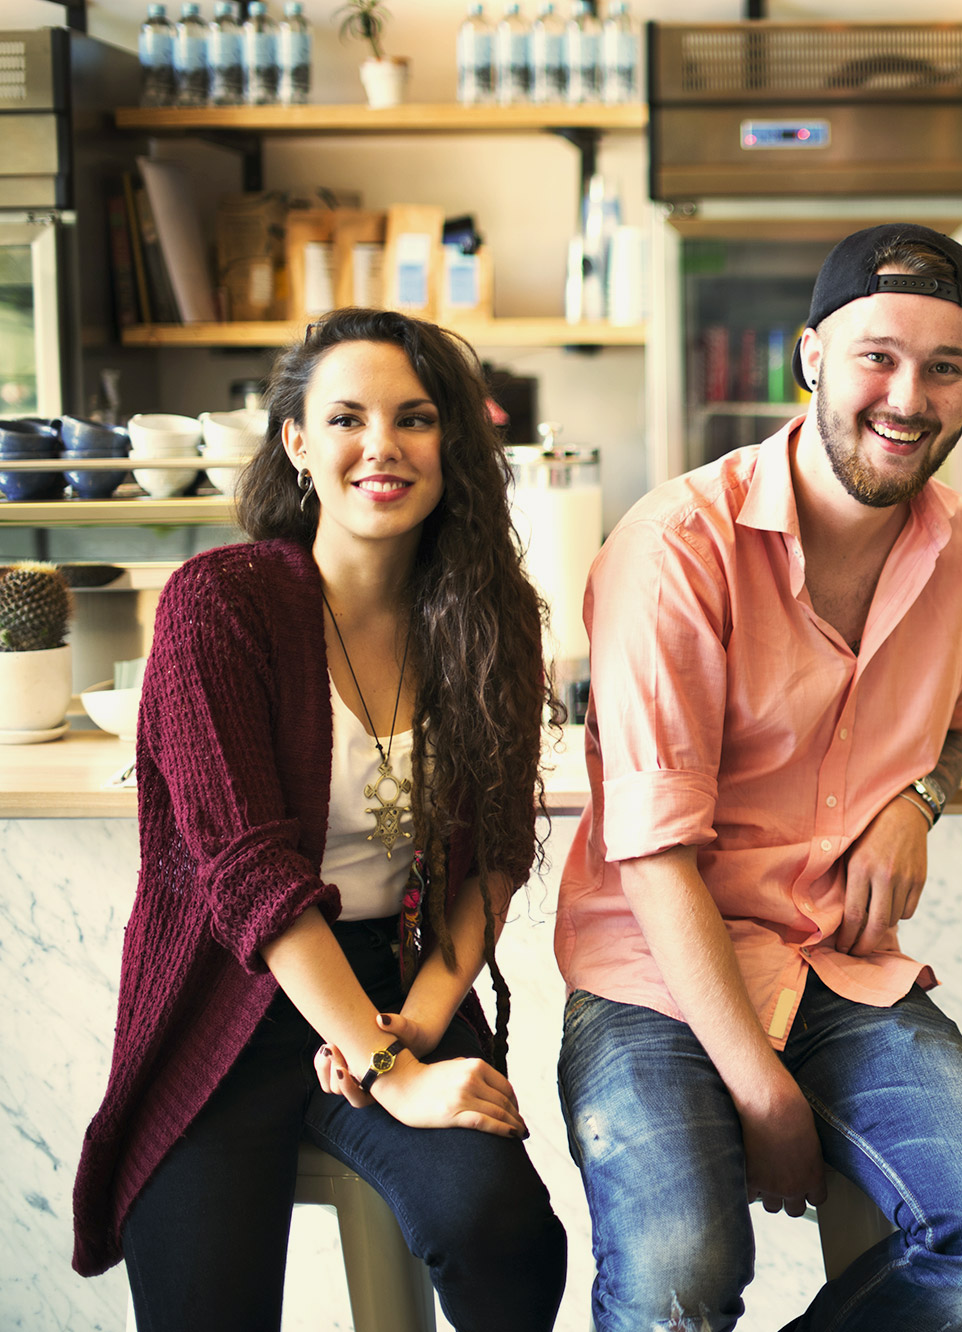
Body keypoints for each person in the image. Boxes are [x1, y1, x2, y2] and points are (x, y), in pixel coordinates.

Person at [555, 223, 962, 1332]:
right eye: (876, 355)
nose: (907, 397)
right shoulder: (676, 546)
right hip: (657, 978)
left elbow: (959, 732)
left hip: (838, 966)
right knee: (682, 1280)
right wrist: (763, 1091)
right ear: (809, 356)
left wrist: (916, 804)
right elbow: (652, 852)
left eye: (943, 367)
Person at [72, 309, 568, 1329]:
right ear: (296, 442)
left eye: (415, 419)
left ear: (452, 447)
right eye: (346, 417)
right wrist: (385, 1071)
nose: (381, 445)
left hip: (405, 979)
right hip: (229, 996)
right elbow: (251, 877)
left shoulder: (492, 615)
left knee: (505, 1238)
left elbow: (494, 861)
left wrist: (410, 1037)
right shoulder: (220, 605)